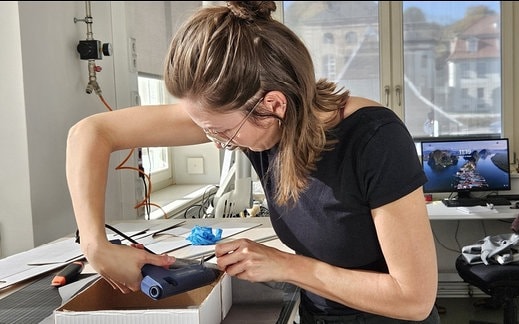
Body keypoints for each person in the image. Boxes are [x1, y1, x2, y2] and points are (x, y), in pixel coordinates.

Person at [66, 1, 439, 323]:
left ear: (273, 104)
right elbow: (90, 133)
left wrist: (286, 265)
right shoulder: (256, 119)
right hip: (318, 312)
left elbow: (414, 299)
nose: (218, 144)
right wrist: (96, 248)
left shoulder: (375, 140)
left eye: (222, 133)